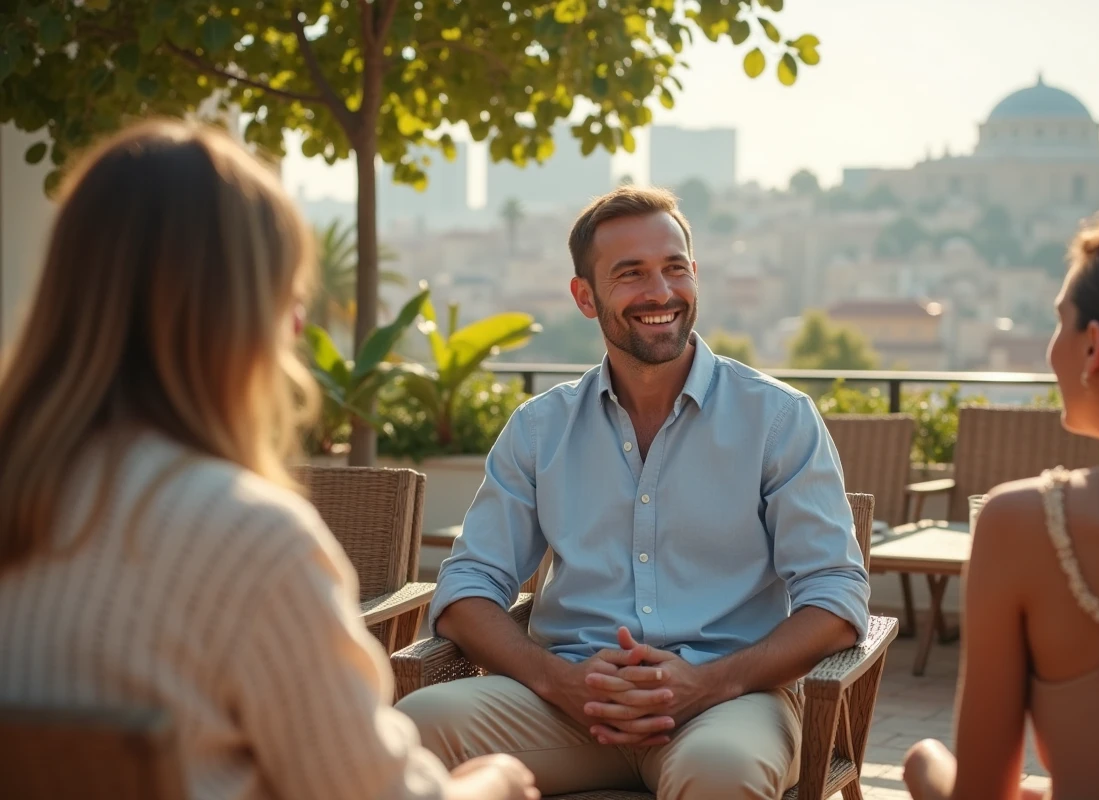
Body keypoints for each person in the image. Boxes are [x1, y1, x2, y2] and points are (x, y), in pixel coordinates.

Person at [0, 120, 537, 800]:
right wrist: (496, 781)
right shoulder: (246, 538)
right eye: (289, 299)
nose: (298, 328)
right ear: (250, 317)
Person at [396, 186, 870, 799]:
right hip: (567, 705)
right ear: (584, 297)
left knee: (721, 771)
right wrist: (557, 680)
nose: (660, 292)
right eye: (631, 274)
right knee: (412, 729)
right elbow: (467, 588)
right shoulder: (540, 429)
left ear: (695, 275)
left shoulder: (778, 419)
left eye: (675, 268)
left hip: (730, 702)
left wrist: (709, 683)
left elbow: (835, 598)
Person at [903, 201, 1099, 800]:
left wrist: (924, 767)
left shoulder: (1028, 525)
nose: (1049, 349)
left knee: (921, 761)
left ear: (1095, 347)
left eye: (1059, 323)